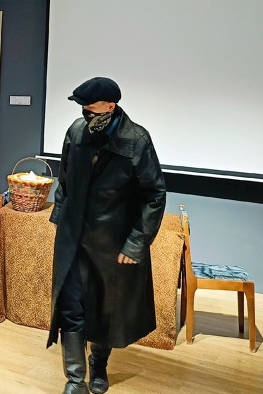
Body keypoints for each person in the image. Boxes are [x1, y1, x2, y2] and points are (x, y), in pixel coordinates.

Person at [47, 77, 166, 394]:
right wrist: (60, 217)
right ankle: (75, 381)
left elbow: (154, 195)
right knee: (71, 309)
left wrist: (136, 242)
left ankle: (99, 366)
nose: (85, 110)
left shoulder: (136, 139)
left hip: (112, 243)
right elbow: (64, 180)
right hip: (73, 240)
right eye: (82, 105)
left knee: (105, 311)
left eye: (90, 105)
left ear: (110, 105)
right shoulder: (76, 131)